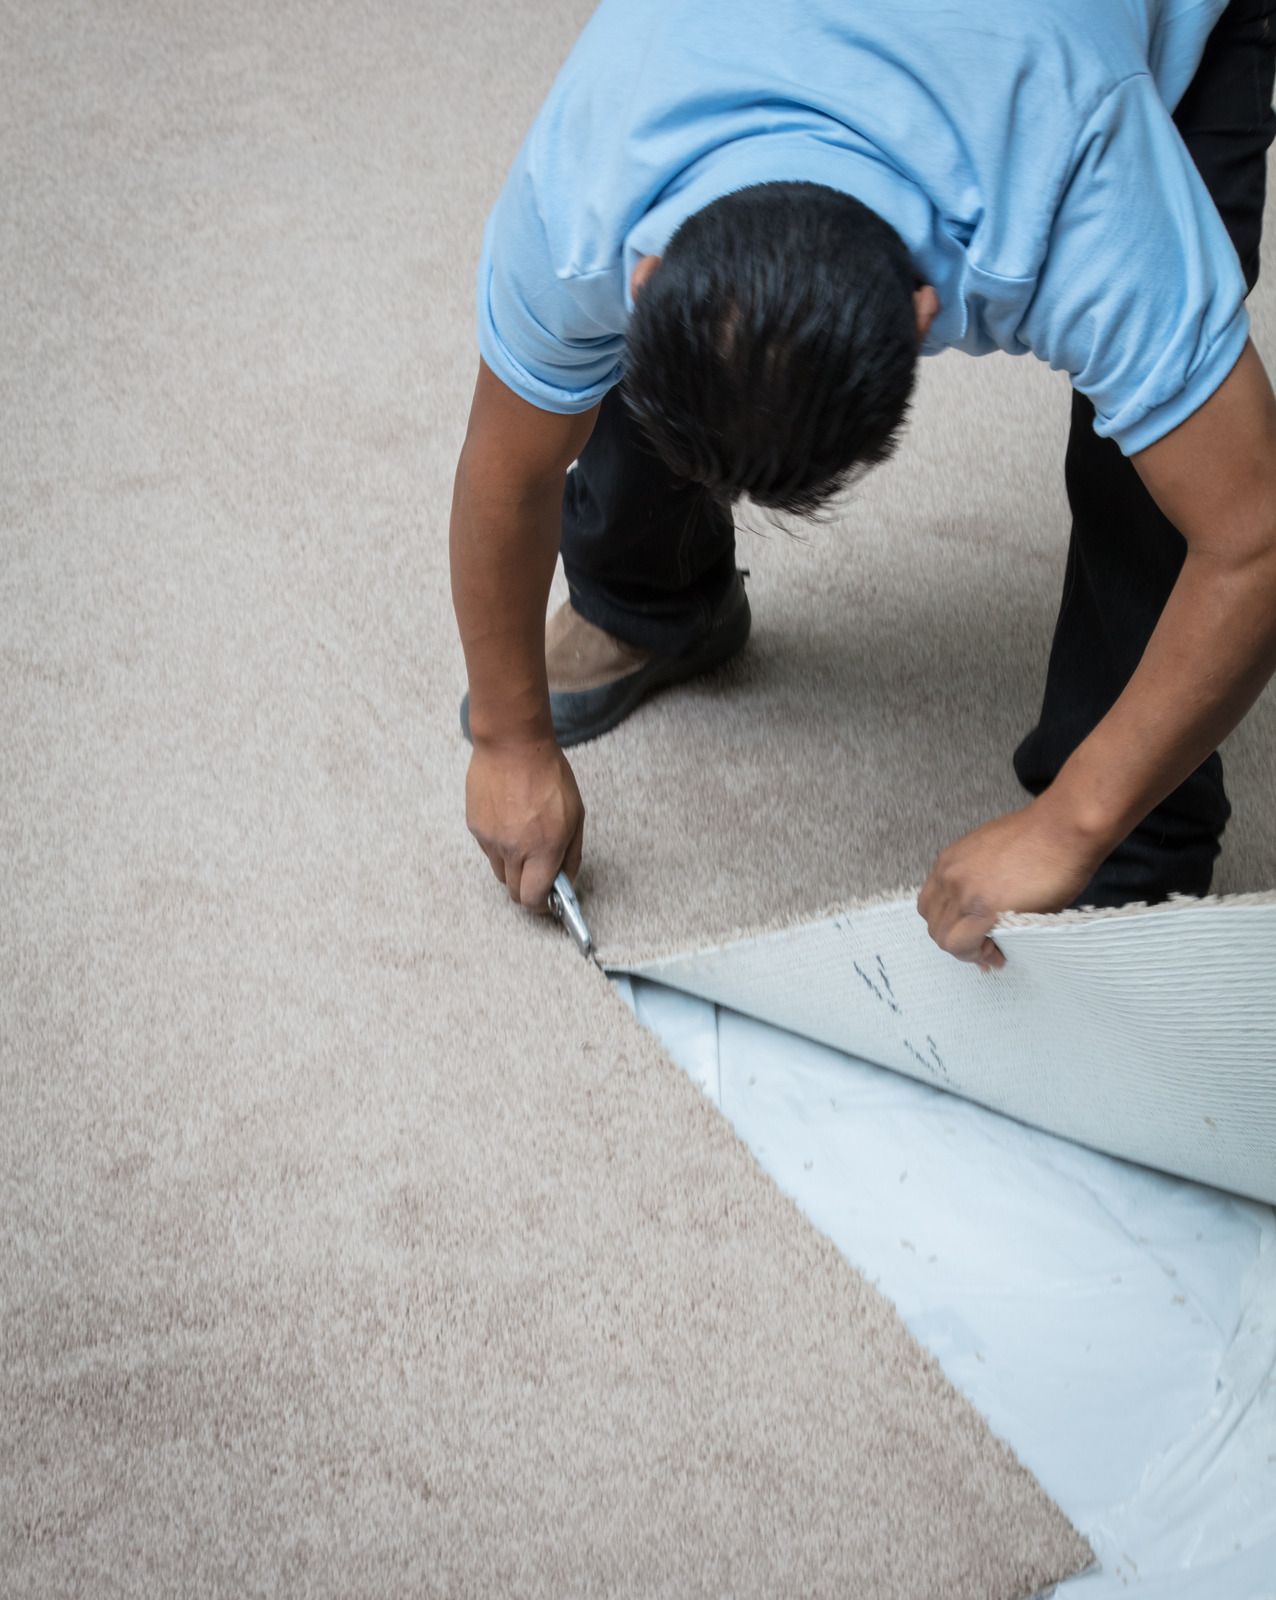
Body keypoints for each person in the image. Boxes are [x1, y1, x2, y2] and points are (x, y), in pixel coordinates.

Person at [450, 0, 1276, 967]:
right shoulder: (592, 171)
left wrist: (1075, 825)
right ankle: (650, 600)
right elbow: (509, 469)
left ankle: (1139, 854)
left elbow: (1252, 538)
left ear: (925, 313)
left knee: (1155, 471)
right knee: (701, 372)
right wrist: (508, 737)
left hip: (1105, 36)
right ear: (644, 273)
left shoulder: (1081, 176)